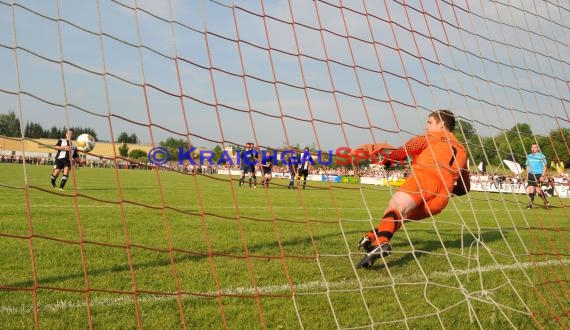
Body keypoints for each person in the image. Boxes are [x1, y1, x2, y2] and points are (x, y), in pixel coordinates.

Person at [356, 110, 470, 268]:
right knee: (399, 216)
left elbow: (407, 149)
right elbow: (465, 188)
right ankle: (372, 236)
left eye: (430, 122)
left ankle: (381, 243)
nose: (426, 126)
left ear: (441, 124)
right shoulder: (463, 151)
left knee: (396, 207)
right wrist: (447, 189)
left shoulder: (432, 137)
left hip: (425, 178)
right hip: (441, 199)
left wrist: (387, 160)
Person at [524, 143, 549, 209]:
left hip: (539, 175)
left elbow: (545, 166)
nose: (533, 149)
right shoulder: (529, 156)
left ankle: (546, 202)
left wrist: (543, 176)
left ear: (538, 148)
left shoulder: (542, 156)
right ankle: (530, 205)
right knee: (531, 189)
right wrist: (527, 175)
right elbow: (527, 166)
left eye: (535, 147)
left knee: (538, 190)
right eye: (532, 147)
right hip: (531, 175)